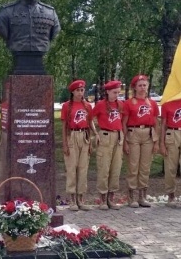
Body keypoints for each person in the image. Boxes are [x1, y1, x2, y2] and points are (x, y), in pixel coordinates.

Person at [0, 0, 60, 75]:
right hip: (18, 58)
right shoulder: (6, 12)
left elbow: (54, 33)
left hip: (39, 59)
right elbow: (0, 28)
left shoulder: (51, 13)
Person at [122, 75, 159, 208]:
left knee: (145, 166)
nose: (143, 88)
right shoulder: (128, 103)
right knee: (133, 165)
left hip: (148, 134)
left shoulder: (153, 104)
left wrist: (156, 141)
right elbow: (124, 123)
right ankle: (131, 197)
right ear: (135, 88)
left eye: (144, 85)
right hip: (134, 133)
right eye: (140, 85)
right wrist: (125, 141)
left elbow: (156, 123)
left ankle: (142, 196)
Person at [61, 79, 98, 211]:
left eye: (82, 90)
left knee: (83, 168)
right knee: (72, 167)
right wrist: (64, 143)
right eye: (78, 90)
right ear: (72, 92)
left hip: (84, 136)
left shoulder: (87, 106)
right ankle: (72, 198)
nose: (80, 92)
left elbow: (90, 121)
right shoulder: (67, 106)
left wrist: (95, 133)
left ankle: (81, 198)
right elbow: (64, 125)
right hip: (72, 135)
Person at [93, 80, 124, 210]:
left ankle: (111, 197)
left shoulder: (120, 105)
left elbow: (123, 119)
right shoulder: (100, 105)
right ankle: (103, 198)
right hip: (105, 136)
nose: (116, 94)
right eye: (114, 92)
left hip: (118, 136)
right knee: (104, 167)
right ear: (107, 92)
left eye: (118, 92)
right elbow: (89, 119)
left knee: (115, 168)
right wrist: (96, 133)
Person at [160, 99, 181, 208]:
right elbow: (163, 124)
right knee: (170, 167)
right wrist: (162, 143)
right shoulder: (168, 103)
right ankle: (171, 195)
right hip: (172, 133)